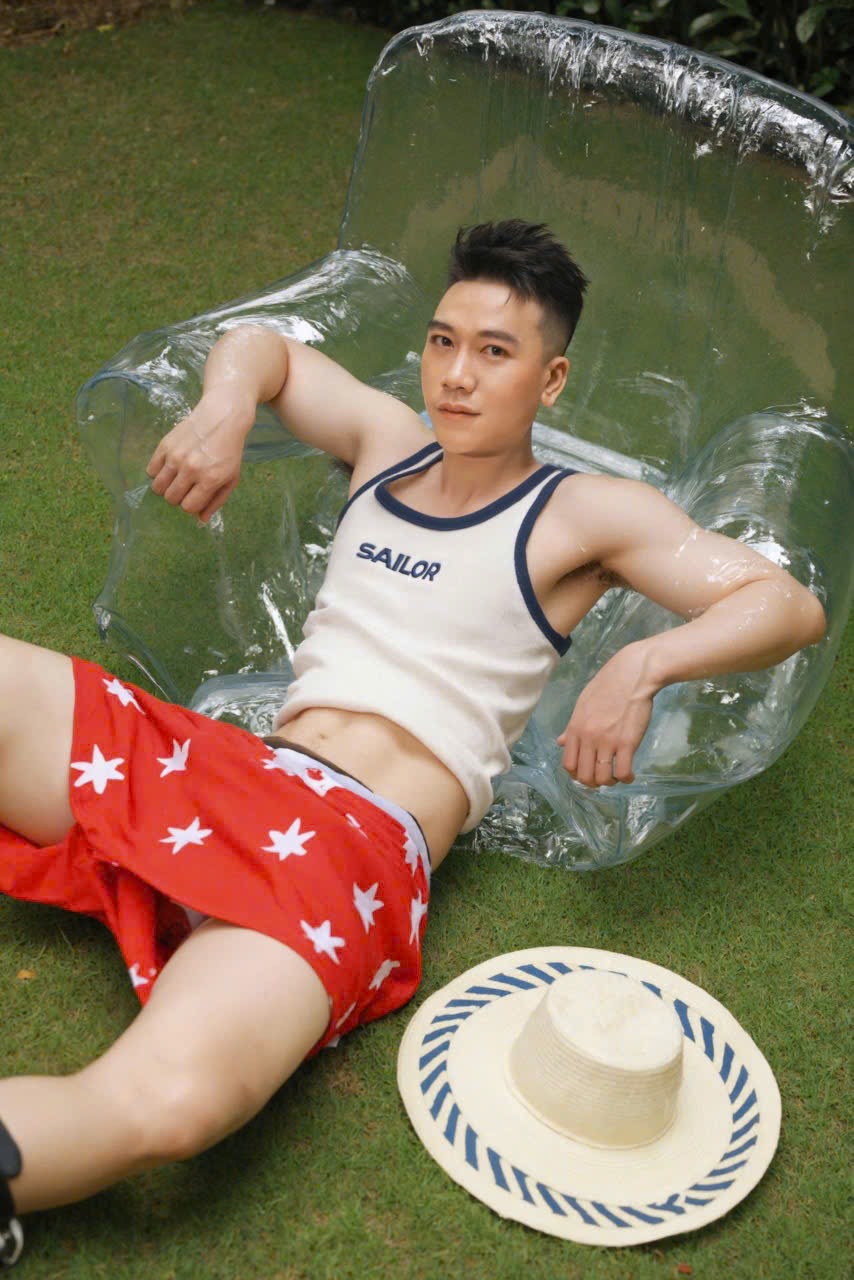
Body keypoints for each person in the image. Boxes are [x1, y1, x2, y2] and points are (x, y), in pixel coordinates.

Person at [0, 220, 825, 1267]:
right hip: (233, 768)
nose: (456, 374)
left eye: (494, 351)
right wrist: (223, 407)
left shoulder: (581, 513)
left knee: (170, 1102)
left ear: (551, 379)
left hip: (346, 850)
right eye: (443, 341)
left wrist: (641, 664)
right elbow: (265, 349)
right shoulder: (387, 443)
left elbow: (784, 604)